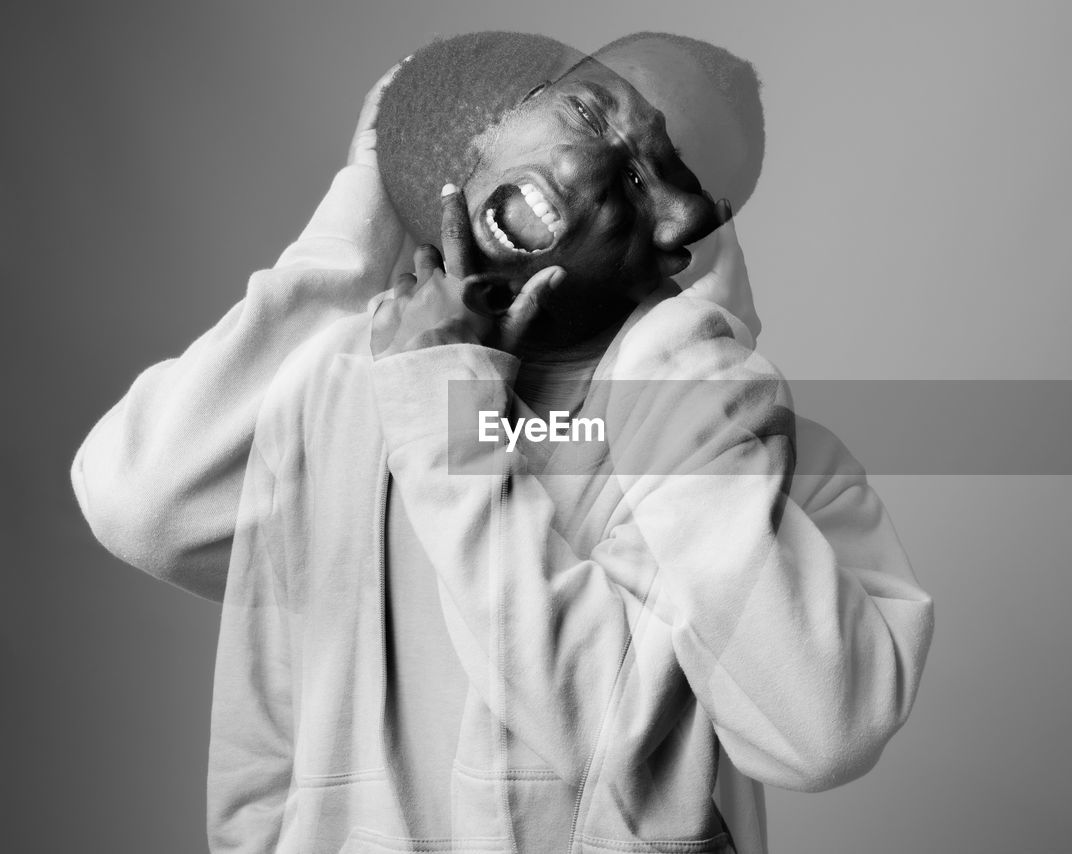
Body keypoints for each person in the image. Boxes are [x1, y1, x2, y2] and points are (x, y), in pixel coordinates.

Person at [72, 31, 932, 854]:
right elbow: (145, 505)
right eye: (598, 123)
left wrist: (675, 374)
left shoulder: (732, 449)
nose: (676, 221)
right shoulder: (353, 394)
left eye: (673, 187)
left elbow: (801, 734)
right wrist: (368, 207)